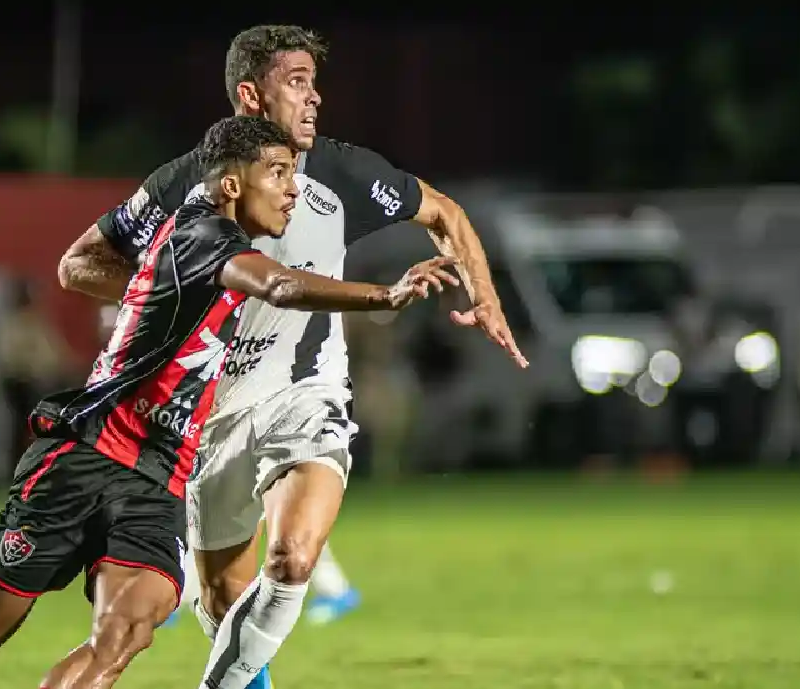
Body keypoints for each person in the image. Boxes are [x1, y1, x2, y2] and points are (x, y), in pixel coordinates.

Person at [0, 115, 459, 689]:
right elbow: (281, 285)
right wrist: (384, 296)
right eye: (278, 173)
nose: (293, 189)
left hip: (160, 481)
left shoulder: (230, 245)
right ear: (232, 185)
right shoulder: (199, 235)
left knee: (121, 639)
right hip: (87, 458)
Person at [57, 25, 528, 689]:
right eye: (297, 83)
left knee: (293, 555)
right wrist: (172, 283)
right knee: (223, 601)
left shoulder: (341, 173)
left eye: (315, 83)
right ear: (251, 95)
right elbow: (79, 264)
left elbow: (444, 212)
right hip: (207, 419)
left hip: (304, 395)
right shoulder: (189, 183)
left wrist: (488, 300)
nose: (315, 100)